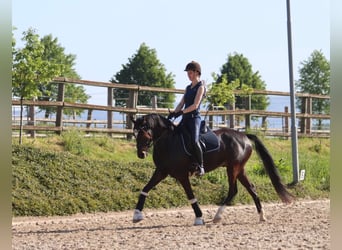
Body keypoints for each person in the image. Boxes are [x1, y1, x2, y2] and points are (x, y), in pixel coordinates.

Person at [168, 61, 205, 176]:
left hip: (194, 119)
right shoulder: (188, 88)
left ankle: (201, 166)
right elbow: (181, 103)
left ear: (196, 72)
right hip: (185, 118)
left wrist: (181, 112)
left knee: (194, 141)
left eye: (190, 73)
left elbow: (195, 105)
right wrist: (175, 112)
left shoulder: (201, 87)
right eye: (187, 73)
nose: (188, 75)